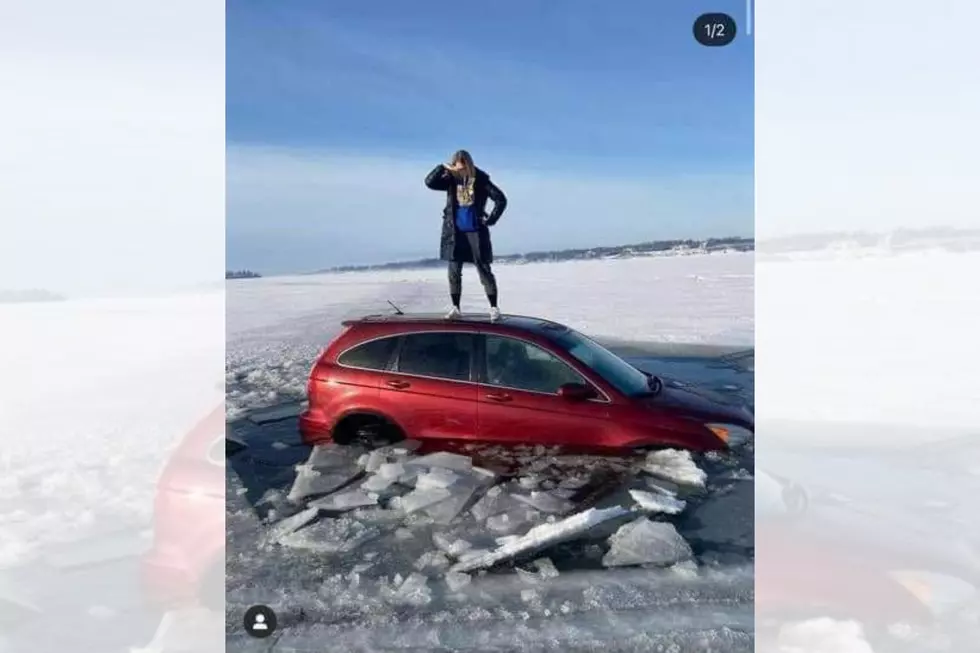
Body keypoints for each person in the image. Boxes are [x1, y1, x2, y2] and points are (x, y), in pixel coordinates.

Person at [424, 149, 507, 321]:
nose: (458, 167)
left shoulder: (481, 180)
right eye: (455, 164)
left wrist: (491, 219)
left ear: (468, 162)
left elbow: (500, 199)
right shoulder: (450, 181)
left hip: (476, 231)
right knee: (454, 271)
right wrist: (442, 167)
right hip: (455, 232)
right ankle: (456, 308)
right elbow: (429, 182)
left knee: (483, 269)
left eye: (460, 163)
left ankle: (494, 308)